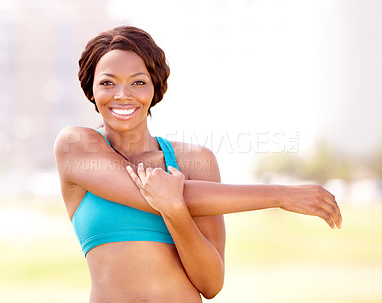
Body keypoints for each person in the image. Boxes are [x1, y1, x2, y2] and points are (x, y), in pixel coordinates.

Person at [54, 25, 342, 303]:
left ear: (155, 87)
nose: (122, 94)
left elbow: (211, 284)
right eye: (107, 82)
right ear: (90, 91)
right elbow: (147, 194)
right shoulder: (76, 146)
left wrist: (176, 211)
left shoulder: (195, 161)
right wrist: (281, 195)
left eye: (138, 82)